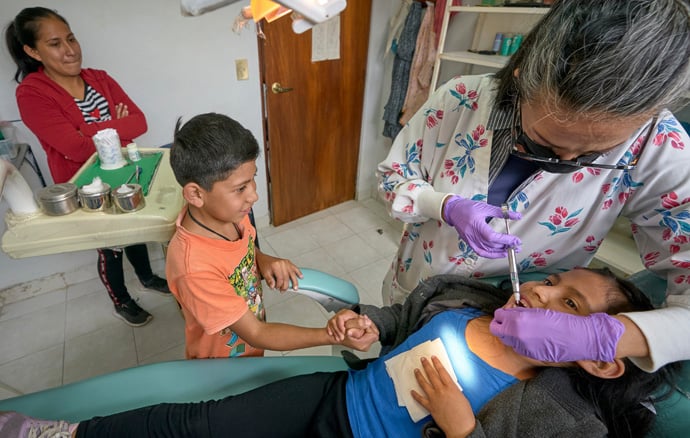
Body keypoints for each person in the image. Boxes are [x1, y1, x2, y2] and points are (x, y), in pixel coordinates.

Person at [377, 0, 690, 372]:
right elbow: (391, 178)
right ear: (520, 77)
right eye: (542, 145)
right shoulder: (460, 100)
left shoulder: (658, 145)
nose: (566, 161)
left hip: (506, 343)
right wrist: (440, 204)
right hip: (411, 293)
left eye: (593, 155)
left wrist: (608, 336)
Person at [0, 267, 680, 437]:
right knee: (196, 423)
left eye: (569, 306)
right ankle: (61, 432)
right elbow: (390, 321)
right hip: (331, 398)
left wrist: (463, 427)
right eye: (554, 279)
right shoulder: (464, 299)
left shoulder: (569, 420)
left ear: (603, 356)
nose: (539, 290)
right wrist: (366, 331)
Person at [5, 7, 171, 327]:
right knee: (110, 245)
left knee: (135, 229)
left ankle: (147, 277)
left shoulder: (99, 78)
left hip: (125, 170)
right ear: (32, 51)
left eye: (71, 38)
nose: (70, 50)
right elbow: (73, 147)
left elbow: (139, 121)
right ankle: (121, 299)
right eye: (55, 43)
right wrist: (115, 124)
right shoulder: (32, 93)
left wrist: (91, 130)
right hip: (83, 183)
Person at [167, 112, 374, 359]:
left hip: (250, 351)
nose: (253, 195)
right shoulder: (193, 267)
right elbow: (256, 333)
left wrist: (262, 260)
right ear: (196, 195)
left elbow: (241, 250)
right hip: (222, 367)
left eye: (252, 179)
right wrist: (330, 335)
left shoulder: (230, 214)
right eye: (240, 188)